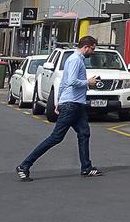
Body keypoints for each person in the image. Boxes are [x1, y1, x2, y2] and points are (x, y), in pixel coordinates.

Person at [16, 36, 103, 180]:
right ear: (86, 47)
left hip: (74, 104)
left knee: (84, 133)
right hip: (71, 105)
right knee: (56, 137)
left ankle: (86, 168)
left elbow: (63, 82)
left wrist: (58, 102)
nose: (93, 52)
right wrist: (88, 82)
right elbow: (71, 82)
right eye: (92, 49)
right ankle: (24, 166)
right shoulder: (75, 60)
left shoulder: (75, 59)